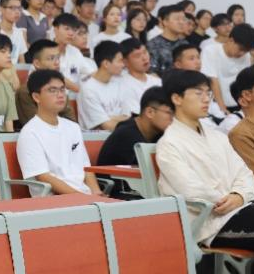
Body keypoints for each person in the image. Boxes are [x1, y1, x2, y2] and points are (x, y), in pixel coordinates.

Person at [156, 70, 254, 253]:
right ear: (177, 98)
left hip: (241, 209)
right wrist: (230, 200)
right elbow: (191, 191)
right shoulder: (168, 144)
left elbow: (244, 174)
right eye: (199, 93)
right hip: (210, 225)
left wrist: (239, 195)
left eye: (208, 93)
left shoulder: (217, 137)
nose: (206, 99)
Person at [17, 70, 102, 198]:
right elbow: (43, 177)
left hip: (84, 198)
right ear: (36, 97)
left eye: (62, 89)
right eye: (52, 90)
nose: (60, 95)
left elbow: (86, 168)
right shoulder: (30, 133)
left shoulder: (73, 127)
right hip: (54, 200)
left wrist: (97, 193)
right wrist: (82, 197)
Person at [97, 87, 174, 167]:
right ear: (150, 112)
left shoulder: (160, 133)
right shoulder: (126, 135)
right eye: (170, 113)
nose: (174, 118)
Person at [202, 23, 254, 115]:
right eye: (241, 49)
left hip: (239, 104)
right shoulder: (210, 51)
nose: (242, 54)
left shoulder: (246, 56)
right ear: (231, 40)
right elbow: (213, 81)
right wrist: (222, 108)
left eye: (246, 51)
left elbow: (244, 82)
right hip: (216, 105)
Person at [78, 41, 129, 131]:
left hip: (120, 133)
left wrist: (109, 118)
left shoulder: (119, 82)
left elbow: (128, 117)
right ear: (106, 64)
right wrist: (117, 119)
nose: (123, 65)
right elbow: (107, 126)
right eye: (120, 61)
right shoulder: (88, 89)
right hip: (99, 137)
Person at [117, 38, 162, 116]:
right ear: (125, 62)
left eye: (145, 52)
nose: (144, 58)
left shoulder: (157, 81)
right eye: (137, 56)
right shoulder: (122, 85)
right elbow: (135, 115)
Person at [52, 13, 90, 93]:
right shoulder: (45, 50)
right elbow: (55, 77)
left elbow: (89, 74)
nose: (71, 33)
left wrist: (84, 83)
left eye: (74, 30)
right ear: (56, 29)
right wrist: (80, 91)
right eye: (67, 29)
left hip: (74, 95)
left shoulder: (75, 51)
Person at [146, 4, 188, 76]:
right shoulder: (153, 44)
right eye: (177, 19)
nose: (181, 22)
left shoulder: (185, 44)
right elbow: (152, 72)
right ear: (165, 22)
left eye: (183, 19)